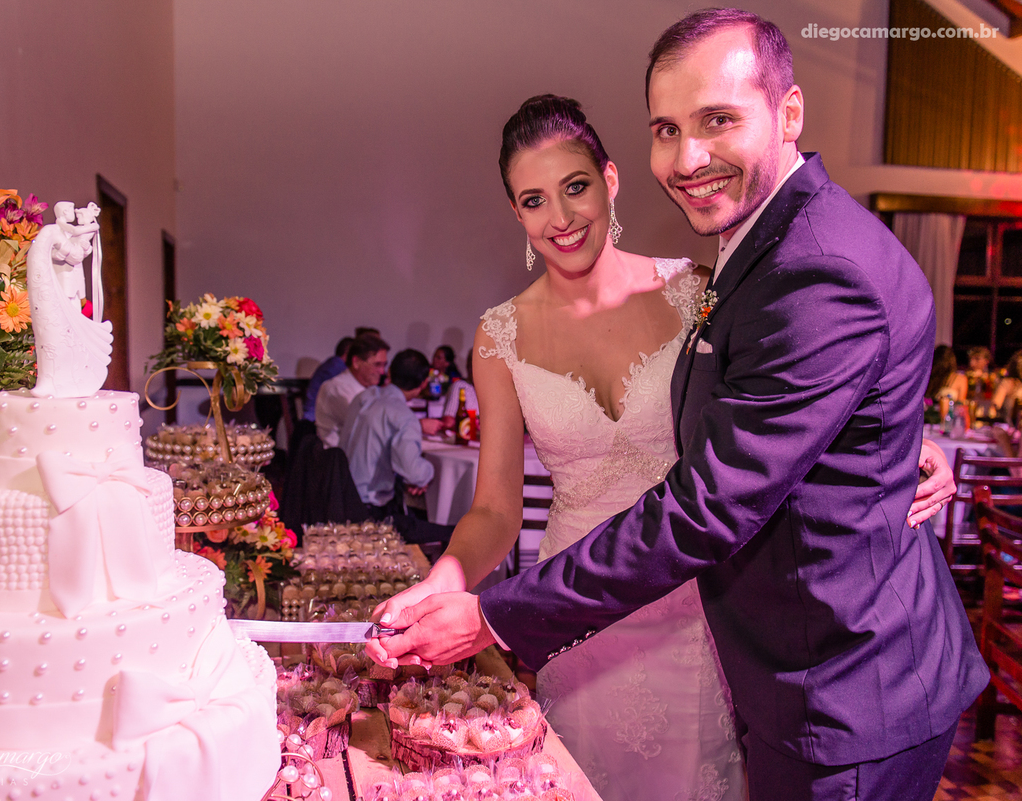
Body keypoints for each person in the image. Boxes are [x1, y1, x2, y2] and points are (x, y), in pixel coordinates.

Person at [372, 11, 981, 801]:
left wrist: (906, 442)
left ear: (788, 114)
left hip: (784, 647)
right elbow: (496, 506)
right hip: (613, 614)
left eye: (718, 120)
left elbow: (724, 485)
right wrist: (452, 578)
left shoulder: (727, 277)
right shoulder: (519, 328)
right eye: (533, 200)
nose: (561, 216)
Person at [339, 349, 454, 546]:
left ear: (389, 372)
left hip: (339, 496)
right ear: (424, 383)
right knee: (455, 531)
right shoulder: (403, 416)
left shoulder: (363, 397)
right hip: (371, 513)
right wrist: (427, 472)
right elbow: (415, 473)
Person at [314, 334, 389, 447]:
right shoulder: (336, 389)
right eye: (377, 365)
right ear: (356, 362)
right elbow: (369, 425)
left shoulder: (370, 389)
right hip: (339, 460)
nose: (382, 371)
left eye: (384, 365)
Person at [303, 336, 354, 422]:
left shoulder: (332, 364)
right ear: (348, 353)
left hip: (316, 416)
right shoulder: (336, 367)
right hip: (315, 420)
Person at [927, 344, 967, 418]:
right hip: (946, 420)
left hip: (930, 419)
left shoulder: (929, 377)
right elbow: (961, 406)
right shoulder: (960, 379)